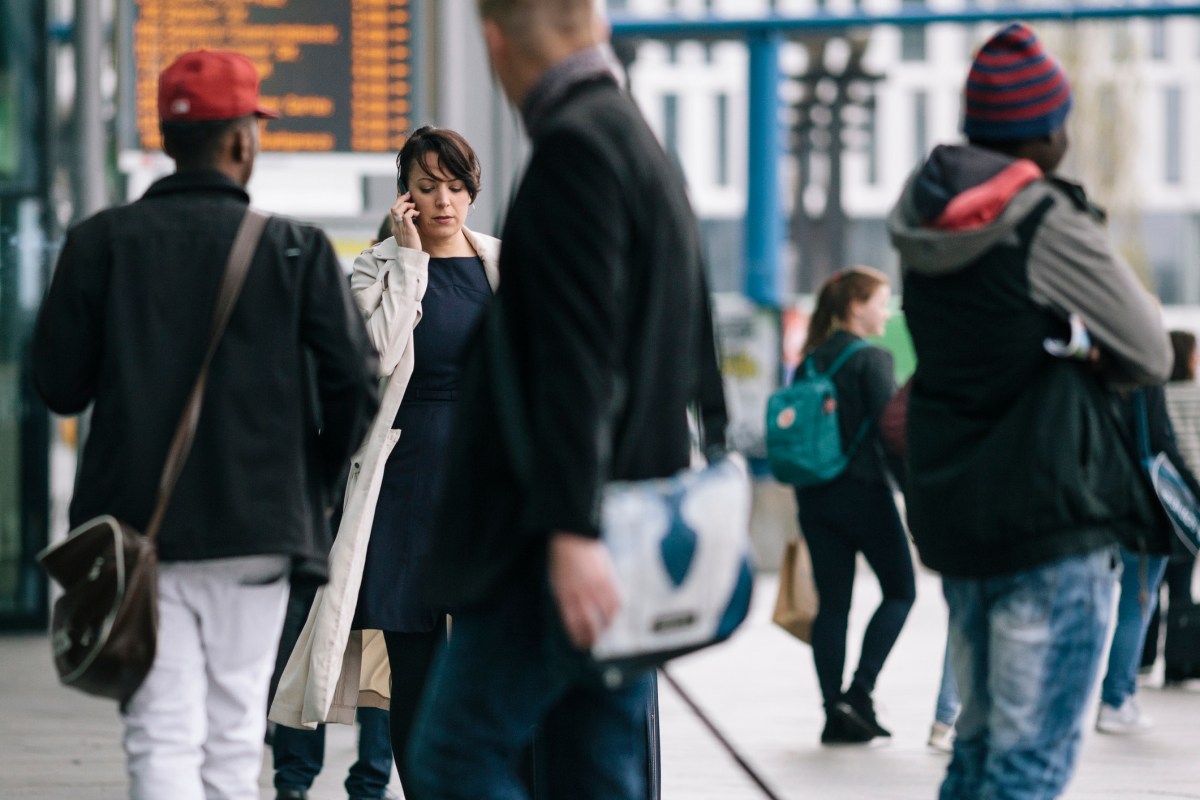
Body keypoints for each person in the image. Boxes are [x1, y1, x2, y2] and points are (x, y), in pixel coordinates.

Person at [30, 50, 379, 800]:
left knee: (161, 733)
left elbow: (58, 389)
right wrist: (309, 478)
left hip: (137, 537)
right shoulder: (295, 249)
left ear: (167, 137)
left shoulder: (99, 243)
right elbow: (356, 383)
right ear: (242, 141)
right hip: (259, 528)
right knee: (229, 735)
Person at [406, 0, 725, 797]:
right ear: (597, 23)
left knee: (456, 756)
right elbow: (688, 334)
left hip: (549, 540)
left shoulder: (573, 151)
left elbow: (573, 359)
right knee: (594, 764)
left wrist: (571, 530)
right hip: (621, 522)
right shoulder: (638, 140)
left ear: (493, 41)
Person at [888, 23, 1171, 800]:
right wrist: (1086, 351)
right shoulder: (1042, 219)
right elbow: (1150, 349)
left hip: (963, 514)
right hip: (1048, 519)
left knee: (979, 756)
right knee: (1028, 767)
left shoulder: (921, 222)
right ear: (1043, 133)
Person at [270, 126, 500, 798]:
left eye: (455, 187)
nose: (443, 202)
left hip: (485, 485)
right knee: (415, 673)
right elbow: (370, 362)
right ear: (406, 192)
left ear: (472, 189)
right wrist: (408, 265)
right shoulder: (374, 268)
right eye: (427, 187)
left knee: (486, 662)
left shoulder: (500, 266)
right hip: (405, 486)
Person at [791, 268, 914, 745]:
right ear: (856, 306)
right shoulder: (872, 359)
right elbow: (892, 435)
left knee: (833, 605)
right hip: (863, 492)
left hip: (814, 496)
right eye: (881, 302)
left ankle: (832, 709)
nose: (886, 311)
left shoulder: (809, 362)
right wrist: (912, 498)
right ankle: (859, 692)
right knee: (901, 589)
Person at [1096, 382, 1200, 734]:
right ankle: (1116, 698)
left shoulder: (1104, 379)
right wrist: (1193, 492)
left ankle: (1118, 694)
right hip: (1144, 512)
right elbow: (1161, 442)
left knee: (1125, 602)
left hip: (1106, 504)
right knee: (1138, 603)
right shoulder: (1144, 381)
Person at [269, 581, 396, 800]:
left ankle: (293, 779)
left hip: (330, 555)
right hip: (385, 560)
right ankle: (370, 785)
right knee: (378, 651)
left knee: (313, 640)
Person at [1142, 330, 1200, 681]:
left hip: (1162, 492)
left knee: (1150, 583)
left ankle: (1144, 658)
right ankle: (1180, 663)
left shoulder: (1156, 393)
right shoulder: (1196, 395)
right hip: (1192, 497)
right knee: (1182, 583)